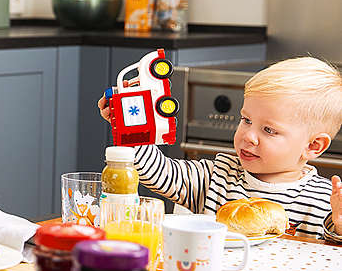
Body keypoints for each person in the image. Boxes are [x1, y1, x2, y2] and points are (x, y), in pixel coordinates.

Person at [98, 57, 342, 242]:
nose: (248, 136)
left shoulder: (324, 201)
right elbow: (157, 172)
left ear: (313, 146)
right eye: (246, 120)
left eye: (268, 130)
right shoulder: (217, 176)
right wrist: (131, 125)